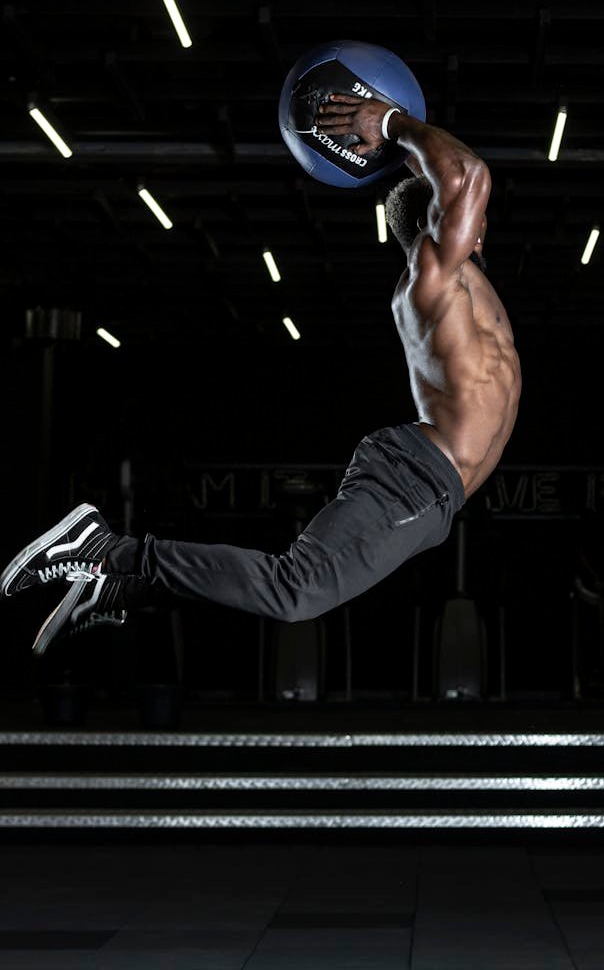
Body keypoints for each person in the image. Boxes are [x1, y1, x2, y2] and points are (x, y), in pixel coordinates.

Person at [0, 96, 521, 655]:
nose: (482, 222)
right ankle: (103, 548)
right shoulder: (434, 275)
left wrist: (396, 152)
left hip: (437, 495)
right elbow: (467, 174)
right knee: (295, 591)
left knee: (298, 590)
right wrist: (390, 122)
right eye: (471, 216)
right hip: (417, 476)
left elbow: (445, 176)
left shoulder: (466, 281)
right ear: (434, 221)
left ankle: (118, 586)